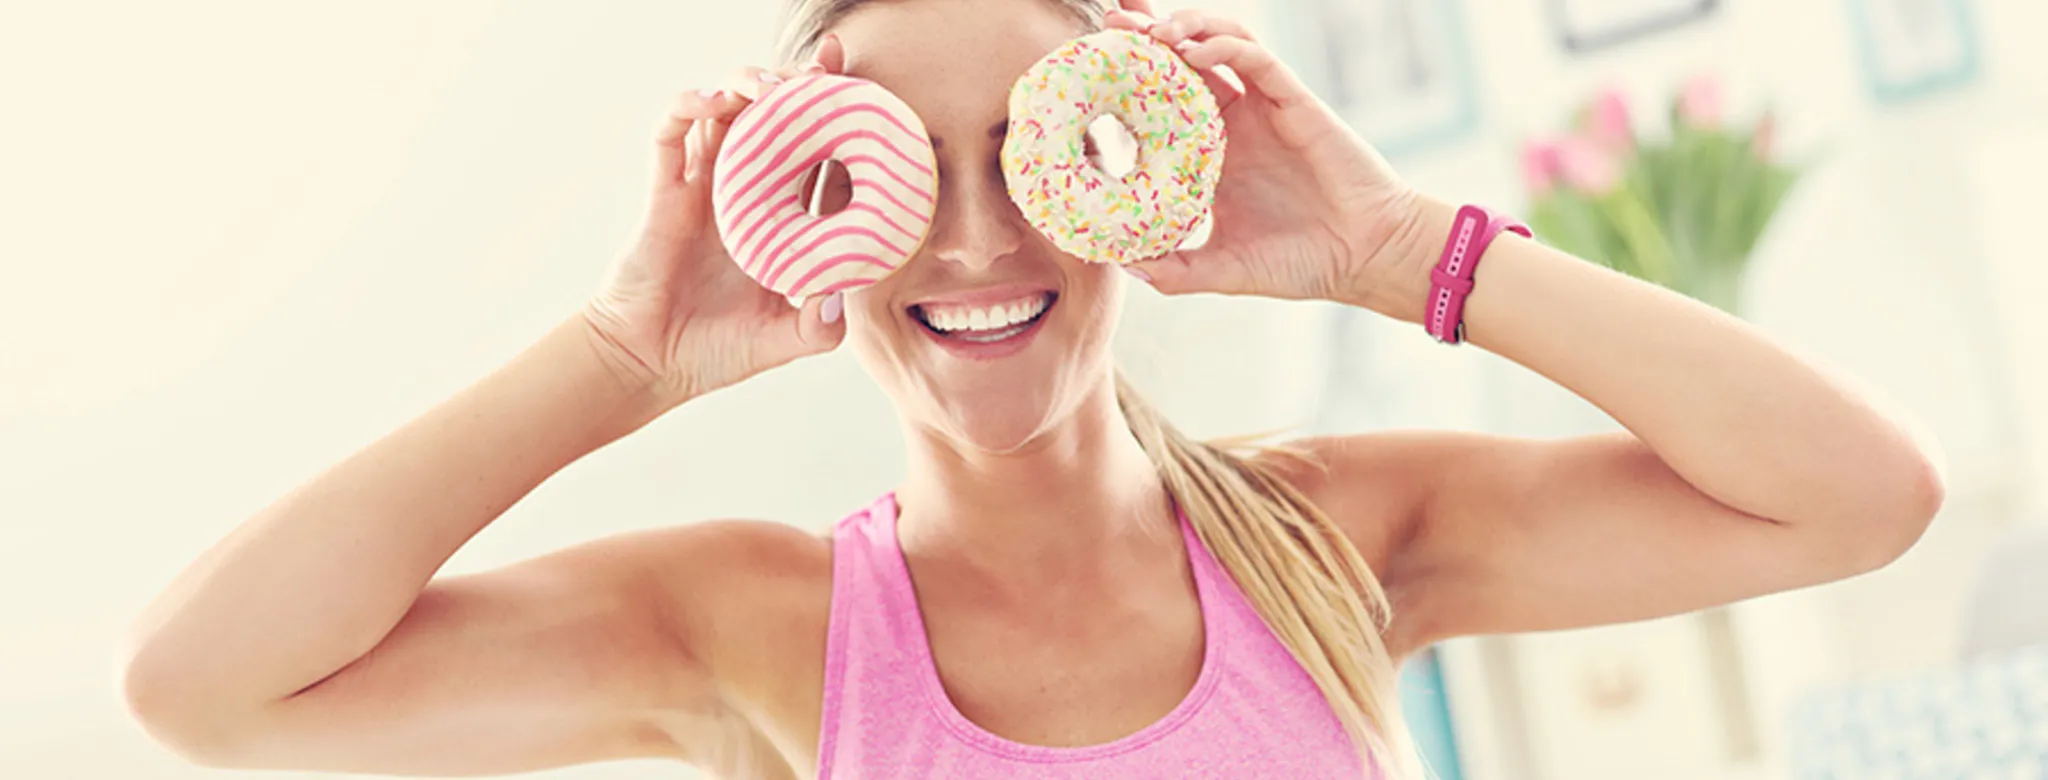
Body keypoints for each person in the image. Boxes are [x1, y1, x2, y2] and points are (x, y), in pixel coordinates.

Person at [116, 0, 1946, 777]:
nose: (976, 237)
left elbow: (1860, 498)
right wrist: (616, 361)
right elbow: (207, 688)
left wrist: (1399, 251)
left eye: (1039, 150)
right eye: (891, 168)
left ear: (1143, 169)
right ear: (805, 211)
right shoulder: (752, 622)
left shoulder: (1340, 539)